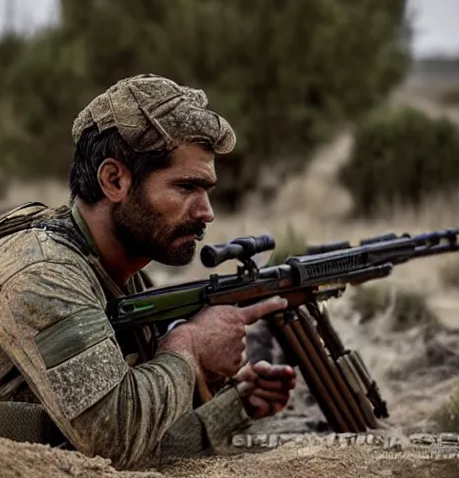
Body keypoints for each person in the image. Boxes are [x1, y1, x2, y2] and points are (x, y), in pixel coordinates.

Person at [0, 74, 296, 470]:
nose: (207, 212)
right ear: (114, 180)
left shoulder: (115, 268)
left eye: (206, 189)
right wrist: (188, 349)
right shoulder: (44, 273)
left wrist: (235, 405)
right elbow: (114, 440)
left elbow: (148, 440)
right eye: (185, 187)